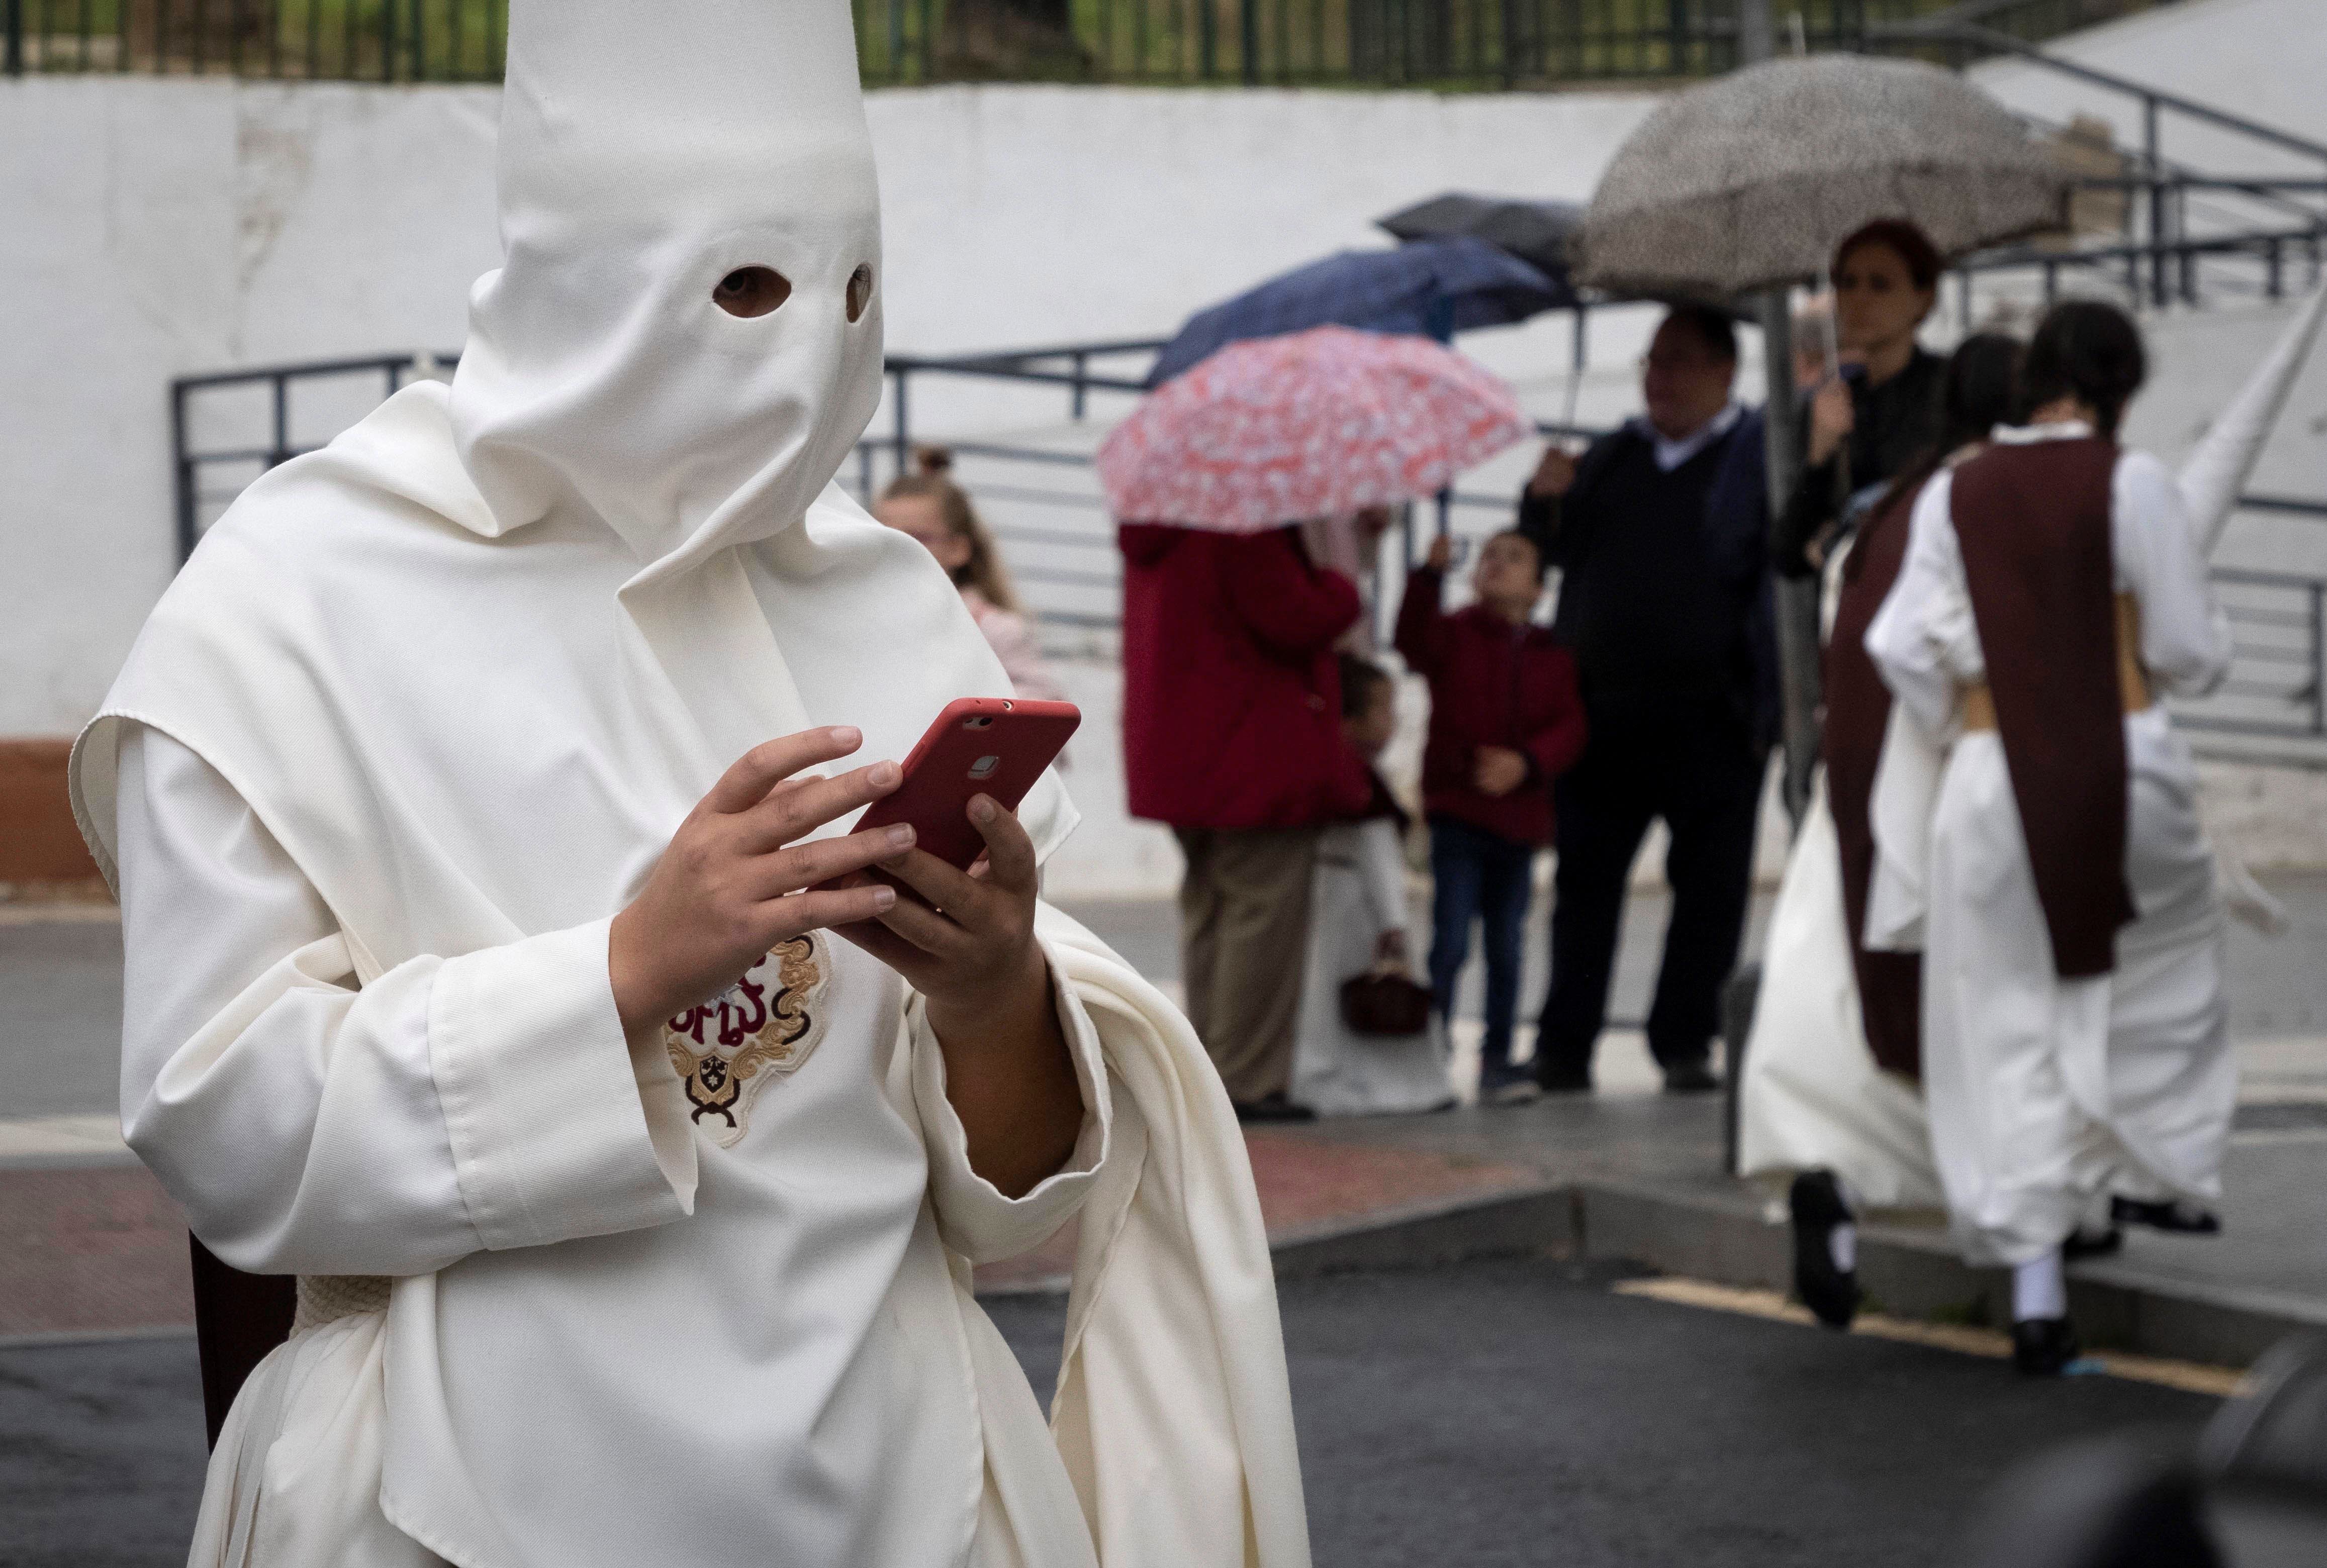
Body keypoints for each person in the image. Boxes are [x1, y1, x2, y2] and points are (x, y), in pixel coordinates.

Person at [71, 4, 1311, 1563]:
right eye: (744, 285)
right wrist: (625, 969)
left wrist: (997, 994)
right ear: (589, 269)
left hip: (912, 1481)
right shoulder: (296, 599)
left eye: (854, 288)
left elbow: (1004, 1200)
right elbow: (225, 1124)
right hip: (451, 1495)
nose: (807, 346)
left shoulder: (893, 600)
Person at [1866, 300, 2235, 1376]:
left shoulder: (1953, 488)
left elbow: (1900, 644)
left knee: (2005, 1018)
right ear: (2121, 384)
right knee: (2147, 982)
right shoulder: (2133, 481)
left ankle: (2035, 1291)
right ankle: (2134, 1173)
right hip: (2121, 763)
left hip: (1989, 773)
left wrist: (1966, 722)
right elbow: (2184, 648)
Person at [1737, 333, 2025, 1329]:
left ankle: (1831, 1189)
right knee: (1980, 1012)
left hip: (1843, 785)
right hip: (1949, 778)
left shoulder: (1884, 511)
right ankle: (2038, 1245)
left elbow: (1804, 576)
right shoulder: (1992, 501)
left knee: (1826, 998)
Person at [1518, 305, 1769, 1095]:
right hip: (1602, 717)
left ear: (1725, 372)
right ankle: (1565, 1045)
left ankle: (1685, 1040)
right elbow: (1552, 552)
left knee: (1710, 893)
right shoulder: (1612, 459)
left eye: (1679, 361)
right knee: (1584, 889)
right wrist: (1543, 500)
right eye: (1652, 362)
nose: (1659, 378)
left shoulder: (1751, 458)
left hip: (1714, 720)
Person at [1120, 519, 1368, 1122]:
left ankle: (1207, 1069)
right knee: (1262, 918)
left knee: (1212, 913)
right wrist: (1340, 581)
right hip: (1255, 751)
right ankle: (1245, 1082)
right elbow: (1296, 617)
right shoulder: (1241, 529)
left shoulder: (1164, 522)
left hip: (1187, 753)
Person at [1394, 530, 1586, 1104]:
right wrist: (1426, 578)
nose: (1497, 564)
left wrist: (1527, 765)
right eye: (1489, 556)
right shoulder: (1453, 633)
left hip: (1519, 824)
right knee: (1449, 943)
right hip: (1459, 815)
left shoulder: (1554, 652)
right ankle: (1432, 1056)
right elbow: (1411, 642)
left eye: (1514, 557)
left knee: (1507, 947)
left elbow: (1571, 727)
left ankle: (1497, 1060)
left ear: (1538, 587)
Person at [1287, 655, 1454, 1117]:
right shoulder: (1363, 784)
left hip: (1325, 904)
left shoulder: (1326, 772)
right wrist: (1395, 924)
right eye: (1384, 710)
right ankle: (1389, 1087)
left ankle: (1321, 1077)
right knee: (1363, 996)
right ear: (1349, 719)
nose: (1393, 721)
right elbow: (1380, 858)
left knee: (1322, 1002)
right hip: (1360, 912)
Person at [1774, 220, 1947, 577]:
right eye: (1847, 283)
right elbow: (1788, 557)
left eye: (1880, 284)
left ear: (1923, 297)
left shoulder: (1949, 388)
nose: (1859, 299)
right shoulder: (1830, 403)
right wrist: (1819, 457)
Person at [875, 447, 1070, 704]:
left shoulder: (996, 629)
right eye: (885, 538)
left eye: (918, 538)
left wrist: (970, 708)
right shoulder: (866, 619)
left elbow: (1042, 702)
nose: (900, 552)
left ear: (958, 549)